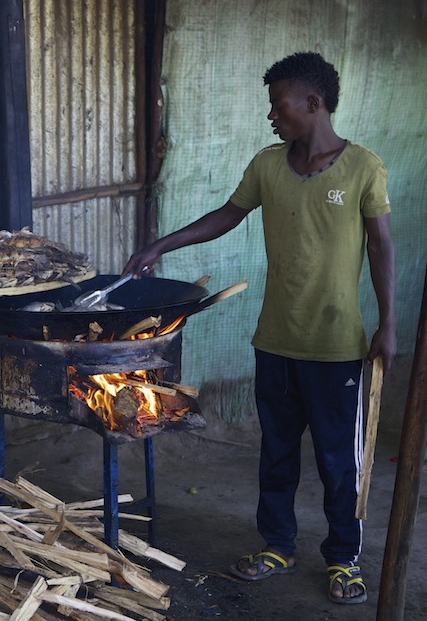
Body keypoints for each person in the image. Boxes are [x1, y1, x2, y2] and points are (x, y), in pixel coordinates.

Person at [122, 51, 395, 605]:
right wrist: (161, 244)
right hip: (276, 341)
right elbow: (227, 215)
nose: (271, 115)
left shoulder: (364, 167)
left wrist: (388, 323)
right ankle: (278, 545)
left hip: (337, 345)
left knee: (340, 462)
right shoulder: (269, 165)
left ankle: (344, 558)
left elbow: (380, 244)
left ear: (313, 104)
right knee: (276, 452)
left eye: (279, 104)